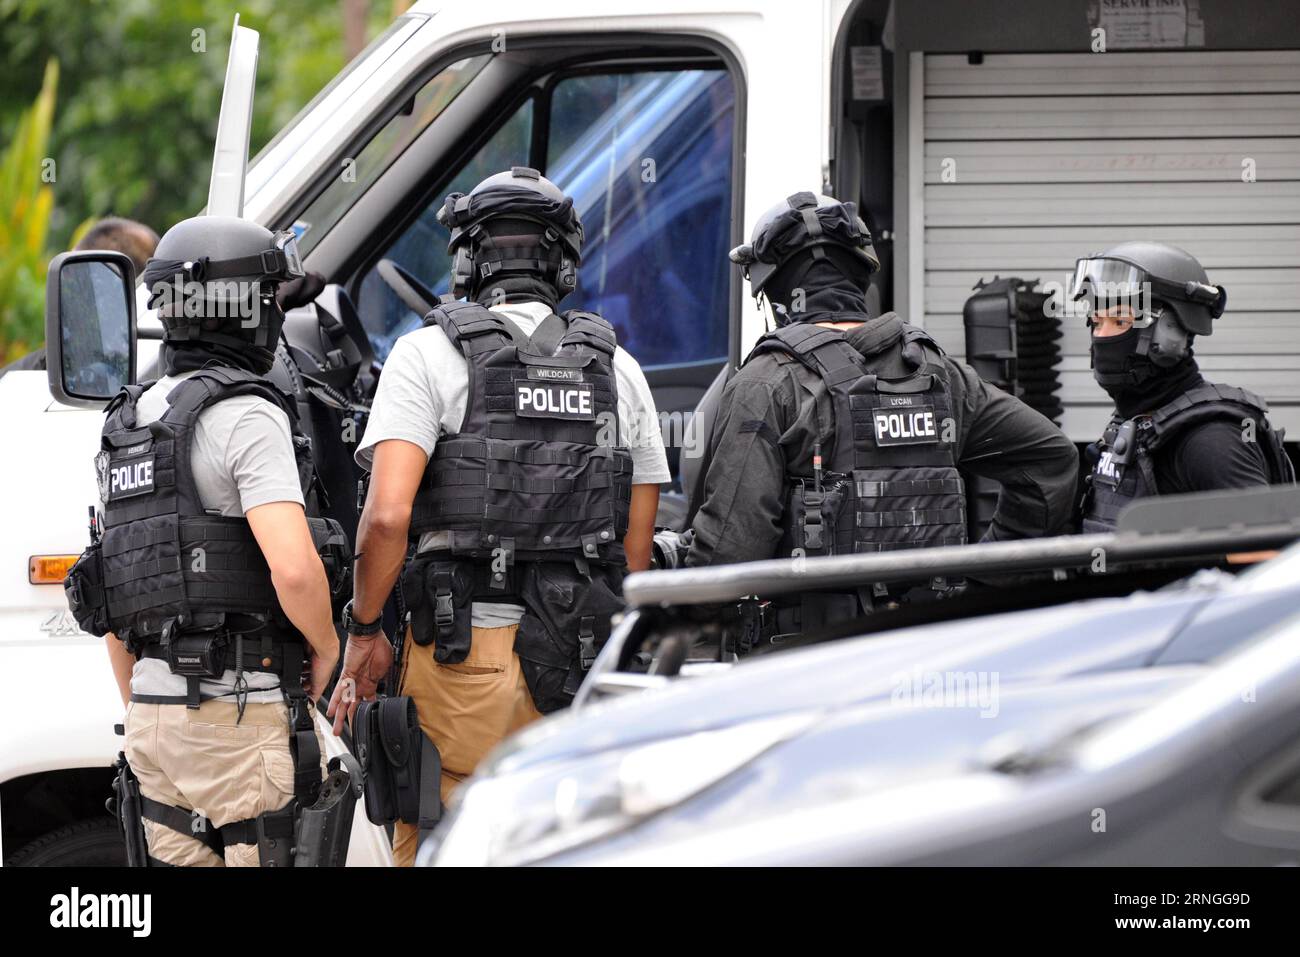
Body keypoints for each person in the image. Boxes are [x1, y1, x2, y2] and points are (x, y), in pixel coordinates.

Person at [330, 167, 669, 866]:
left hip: (462, 664)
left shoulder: (426, 355)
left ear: (466, 260)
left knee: (449, 844)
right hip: (582, 666)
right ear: (564, 262)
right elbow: (632, 560)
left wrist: (364, 630)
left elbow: (388, 517)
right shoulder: (621, 369)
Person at [79, 215, 347, 866]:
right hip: (241, 717)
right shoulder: (246, 412)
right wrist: (327, 646)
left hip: (153, 719)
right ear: (245, 310)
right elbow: (294, 569)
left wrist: (148, 700)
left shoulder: (129, 419)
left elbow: (111, 590)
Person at [686, 191, 1079, 632]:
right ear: (862, 276)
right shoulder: (937, 372)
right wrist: (985, 585)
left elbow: (733, 548)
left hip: (813, 663)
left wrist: (678, 608)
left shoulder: (766, 382)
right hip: (931, 645)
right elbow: (1050, 462)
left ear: (773, 291)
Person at [1073, 242, 1294, 531]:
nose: (1101, 336)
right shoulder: (1137, 423)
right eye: (1096, 321)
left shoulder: (1212, 439)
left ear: (1171, 332)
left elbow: (1260, 561)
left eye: (1120, 320)